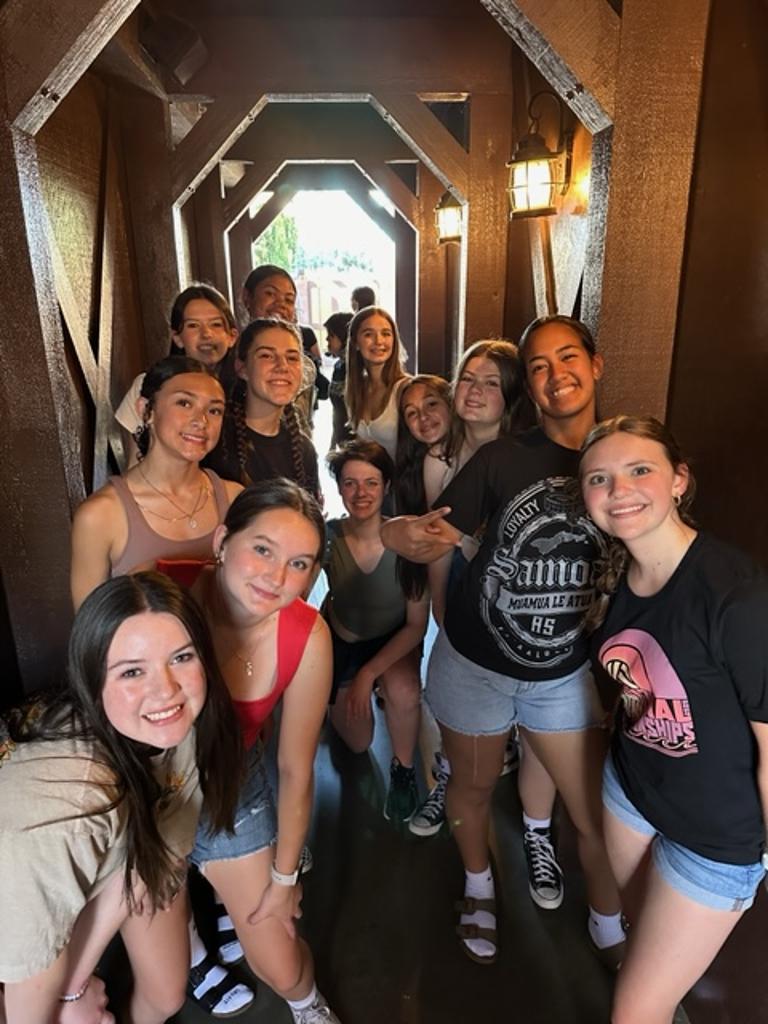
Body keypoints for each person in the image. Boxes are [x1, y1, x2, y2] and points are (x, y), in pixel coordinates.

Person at [381, 315, 623, 966]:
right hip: (474, 663)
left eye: (568, 357)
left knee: (589, 810)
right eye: (539, 365)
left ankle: (610, 921)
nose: (555, 374)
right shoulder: (501, 458)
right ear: (530, 386)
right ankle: (479, 884)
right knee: (471, 788)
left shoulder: (620, 456)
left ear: (596, 365)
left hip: (562, 672)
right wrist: (395, 532)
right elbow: (427, 531)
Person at [580, 415, 768, 1024]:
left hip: (715, 840)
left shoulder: (737, 596)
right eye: (599, 478)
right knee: (636, 925)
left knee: (634, 1012)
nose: (619, 490)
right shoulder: (612, 574)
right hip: (631, 789)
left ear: (679, 480)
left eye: (640, 470)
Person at [0, 572, 242, 1024]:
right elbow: (26, 978)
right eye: (132, 671)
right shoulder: (62, 806)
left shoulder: (177, 729)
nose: (166, 690)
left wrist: (73, 988)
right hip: (14, 923)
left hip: (120, 856)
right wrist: (67, 1003)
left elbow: (154, 860)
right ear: (92, 682)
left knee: (166, 994)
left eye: (181, 657)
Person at [187, 480, 341, 1024]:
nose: (276, 577)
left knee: (279, 961)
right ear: (221, 541)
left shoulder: (307, 635)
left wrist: (284, 878)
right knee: (158, 983)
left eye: (298, 564)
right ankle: (196, 940)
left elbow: (296, 769)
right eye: (262, 549)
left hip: (231, 790)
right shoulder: (160, 595)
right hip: (145, 790)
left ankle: (308, 1006)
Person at [71, 357, 242, 611]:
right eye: (184, 403)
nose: (201, 421)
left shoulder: (235, 498)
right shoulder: (100, 515)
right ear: (146, 410)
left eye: (214, 410)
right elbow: (90, 627)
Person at [324, 440, 428, 822]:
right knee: (358, 742)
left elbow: (417, 625)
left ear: (386, 486)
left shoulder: (406, 541)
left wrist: (370, 673)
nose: (360, 493)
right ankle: (334, 699)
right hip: (345, 641)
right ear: (339, 488)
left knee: (404, 690)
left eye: (371, 483)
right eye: (350, 483)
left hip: (393, 638)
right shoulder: (328, 536)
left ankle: (404, 771)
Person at [114, 283, 239, 465]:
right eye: (193, 325)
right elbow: (135, 463)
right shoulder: (149, 385)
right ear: (178, 338)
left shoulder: (247, 390)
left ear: (232, 336)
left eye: (216, 324)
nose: (206, 333)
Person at [204, 318, 320, 500]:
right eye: (267, 356)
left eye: (292, 358)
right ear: (242, 368)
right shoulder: (215, 438)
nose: (282, 366)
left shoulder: (304, 450)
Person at [241, 265, 319, 428]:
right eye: (270, 294)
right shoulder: (229, 359)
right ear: (247, 297)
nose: (281, 304)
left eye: (289, 300)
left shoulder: (304, 367)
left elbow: (304, 421)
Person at [345, 306, 409, 461]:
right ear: (355, 342)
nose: (379, 341)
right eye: (368, 334)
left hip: (404, 476)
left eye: (386, 334)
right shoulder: (357, 390)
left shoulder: (406, 388)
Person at [324, 311, 354, 449]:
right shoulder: (339, 366)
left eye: (331, 335)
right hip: (342, 442)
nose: (326, 339)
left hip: (355, 444)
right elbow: (337, 411)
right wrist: (332, 444)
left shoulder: (356, 369)